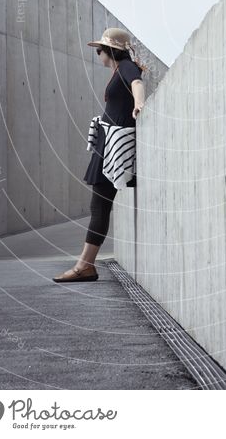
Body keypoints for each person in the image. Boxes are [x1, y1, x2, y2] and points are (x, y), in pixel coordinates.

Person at [53, 28, 146, 283]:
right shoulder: (118, 70)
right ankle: (85, 265)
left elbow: (137, 82)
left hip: (113, 146)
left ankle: (85, 266)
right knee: (99, 205)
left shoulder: (126, 66)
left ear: (110, 51)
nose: (98, 55)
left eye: (99, 50)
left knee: (100, 206)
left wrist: (139, 103)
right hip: (107, 143)